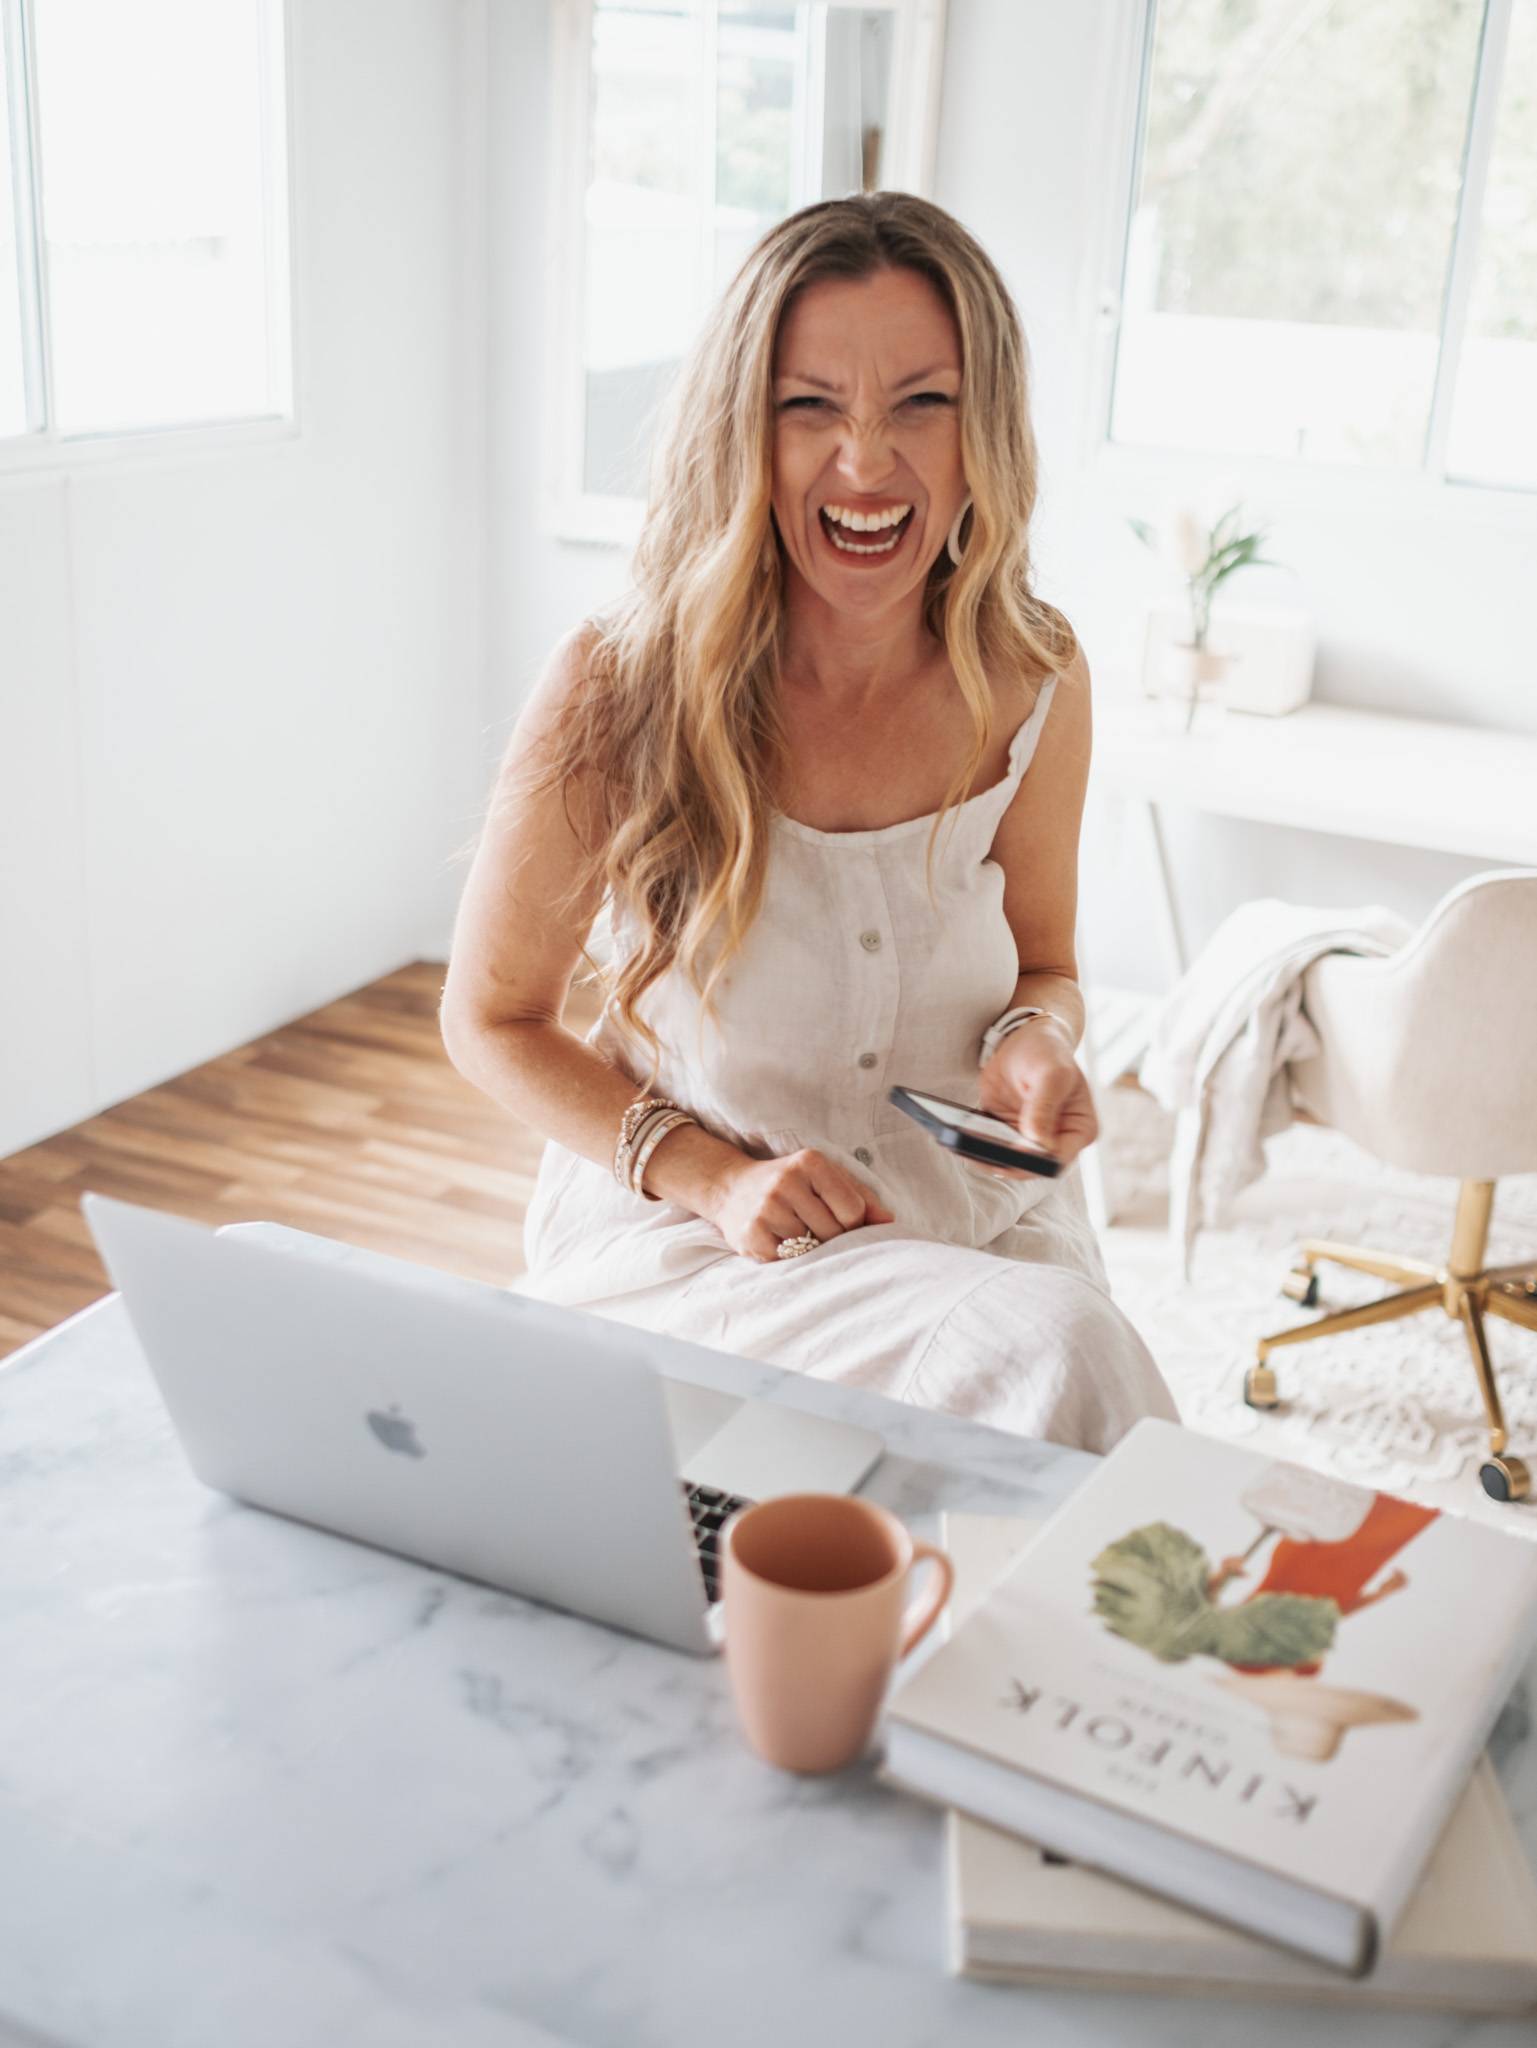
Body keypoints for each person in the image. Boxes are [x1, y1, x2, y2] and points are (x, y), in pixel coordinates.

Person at [439, 192, 1177, 1453]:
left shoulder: (1034, 674)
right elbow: (490, 1018)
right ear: (742, 425)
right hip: (706, 1241)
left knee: (1057, 1362)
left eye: (922, 402)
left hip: (974, 1221)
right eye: (810, 405)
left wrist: (1034, 1041)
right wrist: (714, 1176)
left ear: (984, 431)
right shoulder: (619, 683)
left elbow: (1045, 965)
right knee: (1061, 1360)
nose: (866, 462)